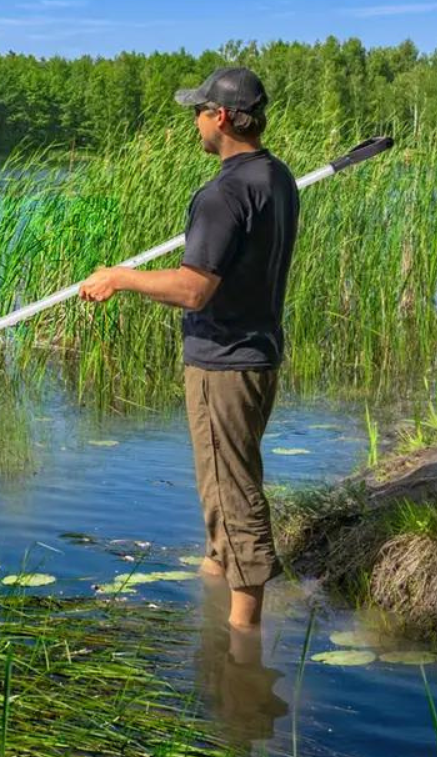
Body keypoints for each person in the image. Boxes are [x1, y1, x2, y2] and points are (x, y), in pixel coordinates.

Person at [78, 66, 299, 632]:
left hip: (224, 361)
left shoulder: (224, 192)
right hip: (259, 353)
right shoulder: (275, 177)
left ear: (221, 117)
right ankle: (212, 574)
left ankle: (244, 634)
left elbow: (194, 288)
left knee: (232, 487)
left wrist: (121, 278)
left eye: (199, 112)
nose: (195, 123)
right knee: (224, 478)